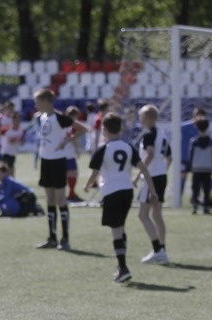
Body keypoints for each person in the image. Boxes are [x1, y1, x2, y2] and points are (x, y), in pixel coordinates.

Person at [84, 111, 158, 283]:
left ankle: (123, 268)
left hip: (111, 192)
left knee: (116, 230)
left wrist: (87, 185)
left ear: (104, 130)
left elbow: (94, 174)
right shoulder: (128, 147)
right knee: (121, 227)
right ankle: (120, 267)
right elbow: (144, 169)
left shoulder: (103, 149)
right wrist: (152, 190)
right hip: (127, 191)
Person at [32, 88, 87, 250]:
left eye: (38, 101)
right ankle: (52, 237)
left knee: (60, 199)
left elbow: (83, 129)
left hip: (57, 162)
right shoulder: (41, 118)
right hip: (45, 161)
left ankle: (65, 238)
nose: (36, 105)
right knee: (49, 200)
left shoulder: (59, 117)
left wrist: (67, 140)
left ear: (46, 101)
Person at [135, 104, 172, 265]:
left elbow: (149, 154)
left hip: (151, 177)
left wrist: (138, 175)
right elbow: (169, 157)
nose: (140, 119)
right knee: (156, 215)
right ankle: (162, 250)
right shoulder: (162, 134)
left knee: (143, 214)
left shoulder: (149, 134)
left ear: (149, 118)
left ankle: (157, 250)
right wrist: (162, 170)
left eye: (142, 116)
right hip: (161, 176)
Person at [187, 116, 212, 215]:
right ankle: (206, 207)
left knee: (195, 188)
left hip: (196, 168)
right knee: (206, 189)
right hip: (207, 168)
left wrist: (190, 166)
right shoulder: (211, 142)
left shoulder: (194, 141)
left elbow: (191, 155)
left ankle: (195, 206)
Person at [62, 105, 84, 202]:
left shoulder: (62, 123)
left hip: (63, 152)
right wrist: (77, 150)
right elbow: (73, 138)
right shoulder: (71, 124)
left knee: (68, 174)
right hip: (69, 152)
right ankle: (71, 194)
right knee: (73, 173)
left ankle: (70, 193)